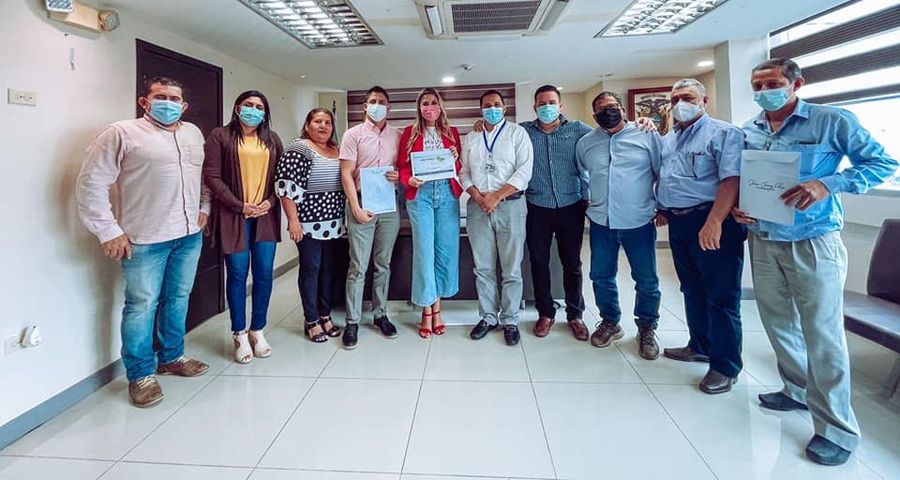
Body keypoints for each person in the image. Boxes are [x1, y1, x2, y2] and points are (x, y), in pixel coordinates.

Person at [734, 58, 898, 465]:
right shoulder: (750, 129)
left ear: (796, 84)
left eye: (772, 83)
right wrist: (742, 208)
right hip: (764, 238)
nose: (764, 91)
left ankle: (837, 430)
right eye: (758, 85)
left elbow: (883, 163)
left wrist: (827, 184)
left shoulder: (830, 121)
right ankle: (796, 390)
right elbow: (750, 180)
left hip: (813, 240)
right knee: (777, 322)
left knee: (822, 335)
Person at [75, 76, 210, 408]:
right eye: (161, 96)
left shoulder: (193, 134)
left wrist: (204, 208)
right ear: (144, 102)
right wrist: (108, 230)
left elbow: (201, 176)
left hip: (188, 234)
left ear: (184, 105)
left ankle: (172, 357)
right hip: (145, 238)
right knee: (141, 306)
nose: (168, 103)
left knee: (178, 298)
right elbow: (91, 183)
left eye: (175, 99)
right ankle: (140, 374)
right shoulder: (122, 133)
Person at [656, 78, 746, 394]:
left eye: (688, 97)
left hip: (711, 220)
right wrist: (663, 208)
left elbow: (731, 180)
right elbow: (669, 177)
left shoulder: (723, 133)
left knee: (721, 296)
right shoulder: (670, 138)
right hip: (679, 222)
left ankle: (725, 367)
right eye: (675, 98)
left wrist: (715, 221)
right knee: (692, 288)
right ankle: (700, 345)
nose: (680, 103)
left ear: (704, 101)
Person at [576, 91, 662, 360]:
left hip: (639, 220)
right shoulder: (586, 143)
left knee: (646, 279)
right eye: (601, 109)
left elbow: (661, 172)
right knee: (601, 276)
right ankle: (610, 321)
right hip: (602, 221)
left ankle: (647, 327)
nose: (608, 112)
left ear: (623, 109)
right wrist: (587, 200)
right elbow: (582, 174)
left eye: (612, 107)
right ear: (594, 116)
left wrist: (663, 207)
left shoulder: (646, 135)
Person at [204, 90, 284, 363]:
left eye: (259, 107)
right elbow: (213, 177)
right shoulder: (220, 136)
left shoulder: (272, 139)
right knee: (237, 274)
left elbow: (281, 178)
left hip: (265, 216)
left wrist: (270, 201)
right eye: (249, 105)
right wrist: (240, 205)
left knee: (264, 274)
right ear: (237, 108)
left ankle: (257, 330)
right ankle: (239, 332)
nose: (254, 110)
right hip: (233, 215)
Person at [461, 89, 534, 346]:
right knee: (483, 268)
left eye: (496, 104)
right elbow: (463, 172)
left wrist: (496, 196)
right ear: (480, 109)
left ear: (504, 108)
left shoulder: (517, 133)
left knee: (511, 268)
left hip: (511, 205)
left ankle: (510, 319)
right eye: (487, 105)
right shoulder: (471, 137)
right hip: (478, 207)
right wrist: (479, 197)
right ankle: (488, 317)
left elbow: (524, 171)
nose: (491, 108)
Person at [521, 85, 593, 340]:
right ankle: (545, 313)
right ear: (534, 107)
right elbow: (498, 135)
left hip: (571, 205)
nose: (547, 107)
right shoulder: (523, 131)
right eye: (542, 103)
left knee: (572, 263)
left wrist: (637, 125)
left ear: (560, 105)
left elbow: (606, 136)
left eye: (551, 102)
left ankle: (575, 314)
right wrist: (479, 125)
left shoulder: (578, 129)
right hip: (537, 206)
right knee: (538, 261)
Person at [276, 109, 347, 343]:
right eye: (317, 121)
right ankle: (311, 320)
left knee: (328, 270)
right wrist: (293, 220)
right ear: (307, 125)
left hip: (334, 224)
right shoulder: (300, 149)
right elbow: (286, 187)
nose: (323, 126)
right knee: (311, 269)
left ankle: (325, 315)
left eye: (327, 122)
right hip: (308, 224)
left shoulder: (336, 150)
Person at [339, 86, 402, 349]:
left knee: (383, 264)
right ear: (365, 106)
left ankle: (380, 315)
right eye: (373, 101)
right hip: (361, 202)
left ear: (389, 107)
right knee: (358, 266)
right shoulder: (352, 134)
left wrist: (399, 175)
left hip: (388, 205)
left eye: (382, 102)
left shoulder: (398, 136)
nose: (377, 105)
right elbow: (346, 172)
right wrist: (354, 206)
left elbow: (406, 168)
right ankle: (352, 321)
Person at [397, 88, 463, 338]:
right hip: (421, 195)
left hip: (446, 193)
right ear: (419, 108)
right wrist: (408, 180)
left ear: (440, 106)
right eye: (425, 103)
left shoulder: (452, 133)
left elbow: (458, 167)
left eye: (433, 102)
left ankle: (438, 309)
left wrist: (455, 156)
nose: (429, 107)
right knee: (424, 252)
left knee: (445, 250)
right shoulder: (409, 133)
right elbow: (402, 167)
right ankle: (426, 310)